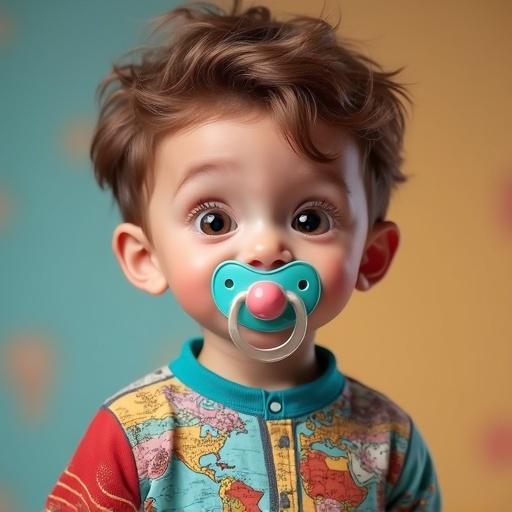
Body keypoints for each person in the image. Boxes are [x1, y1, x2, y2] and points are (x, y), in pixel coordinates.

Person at [44, 1, 442, 510]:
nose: (263, 250)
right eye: (214, 220)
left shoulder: (391, 444)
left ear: (370, 255)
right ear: (147, 258)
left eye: (309, 219)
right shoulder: (131, 437)